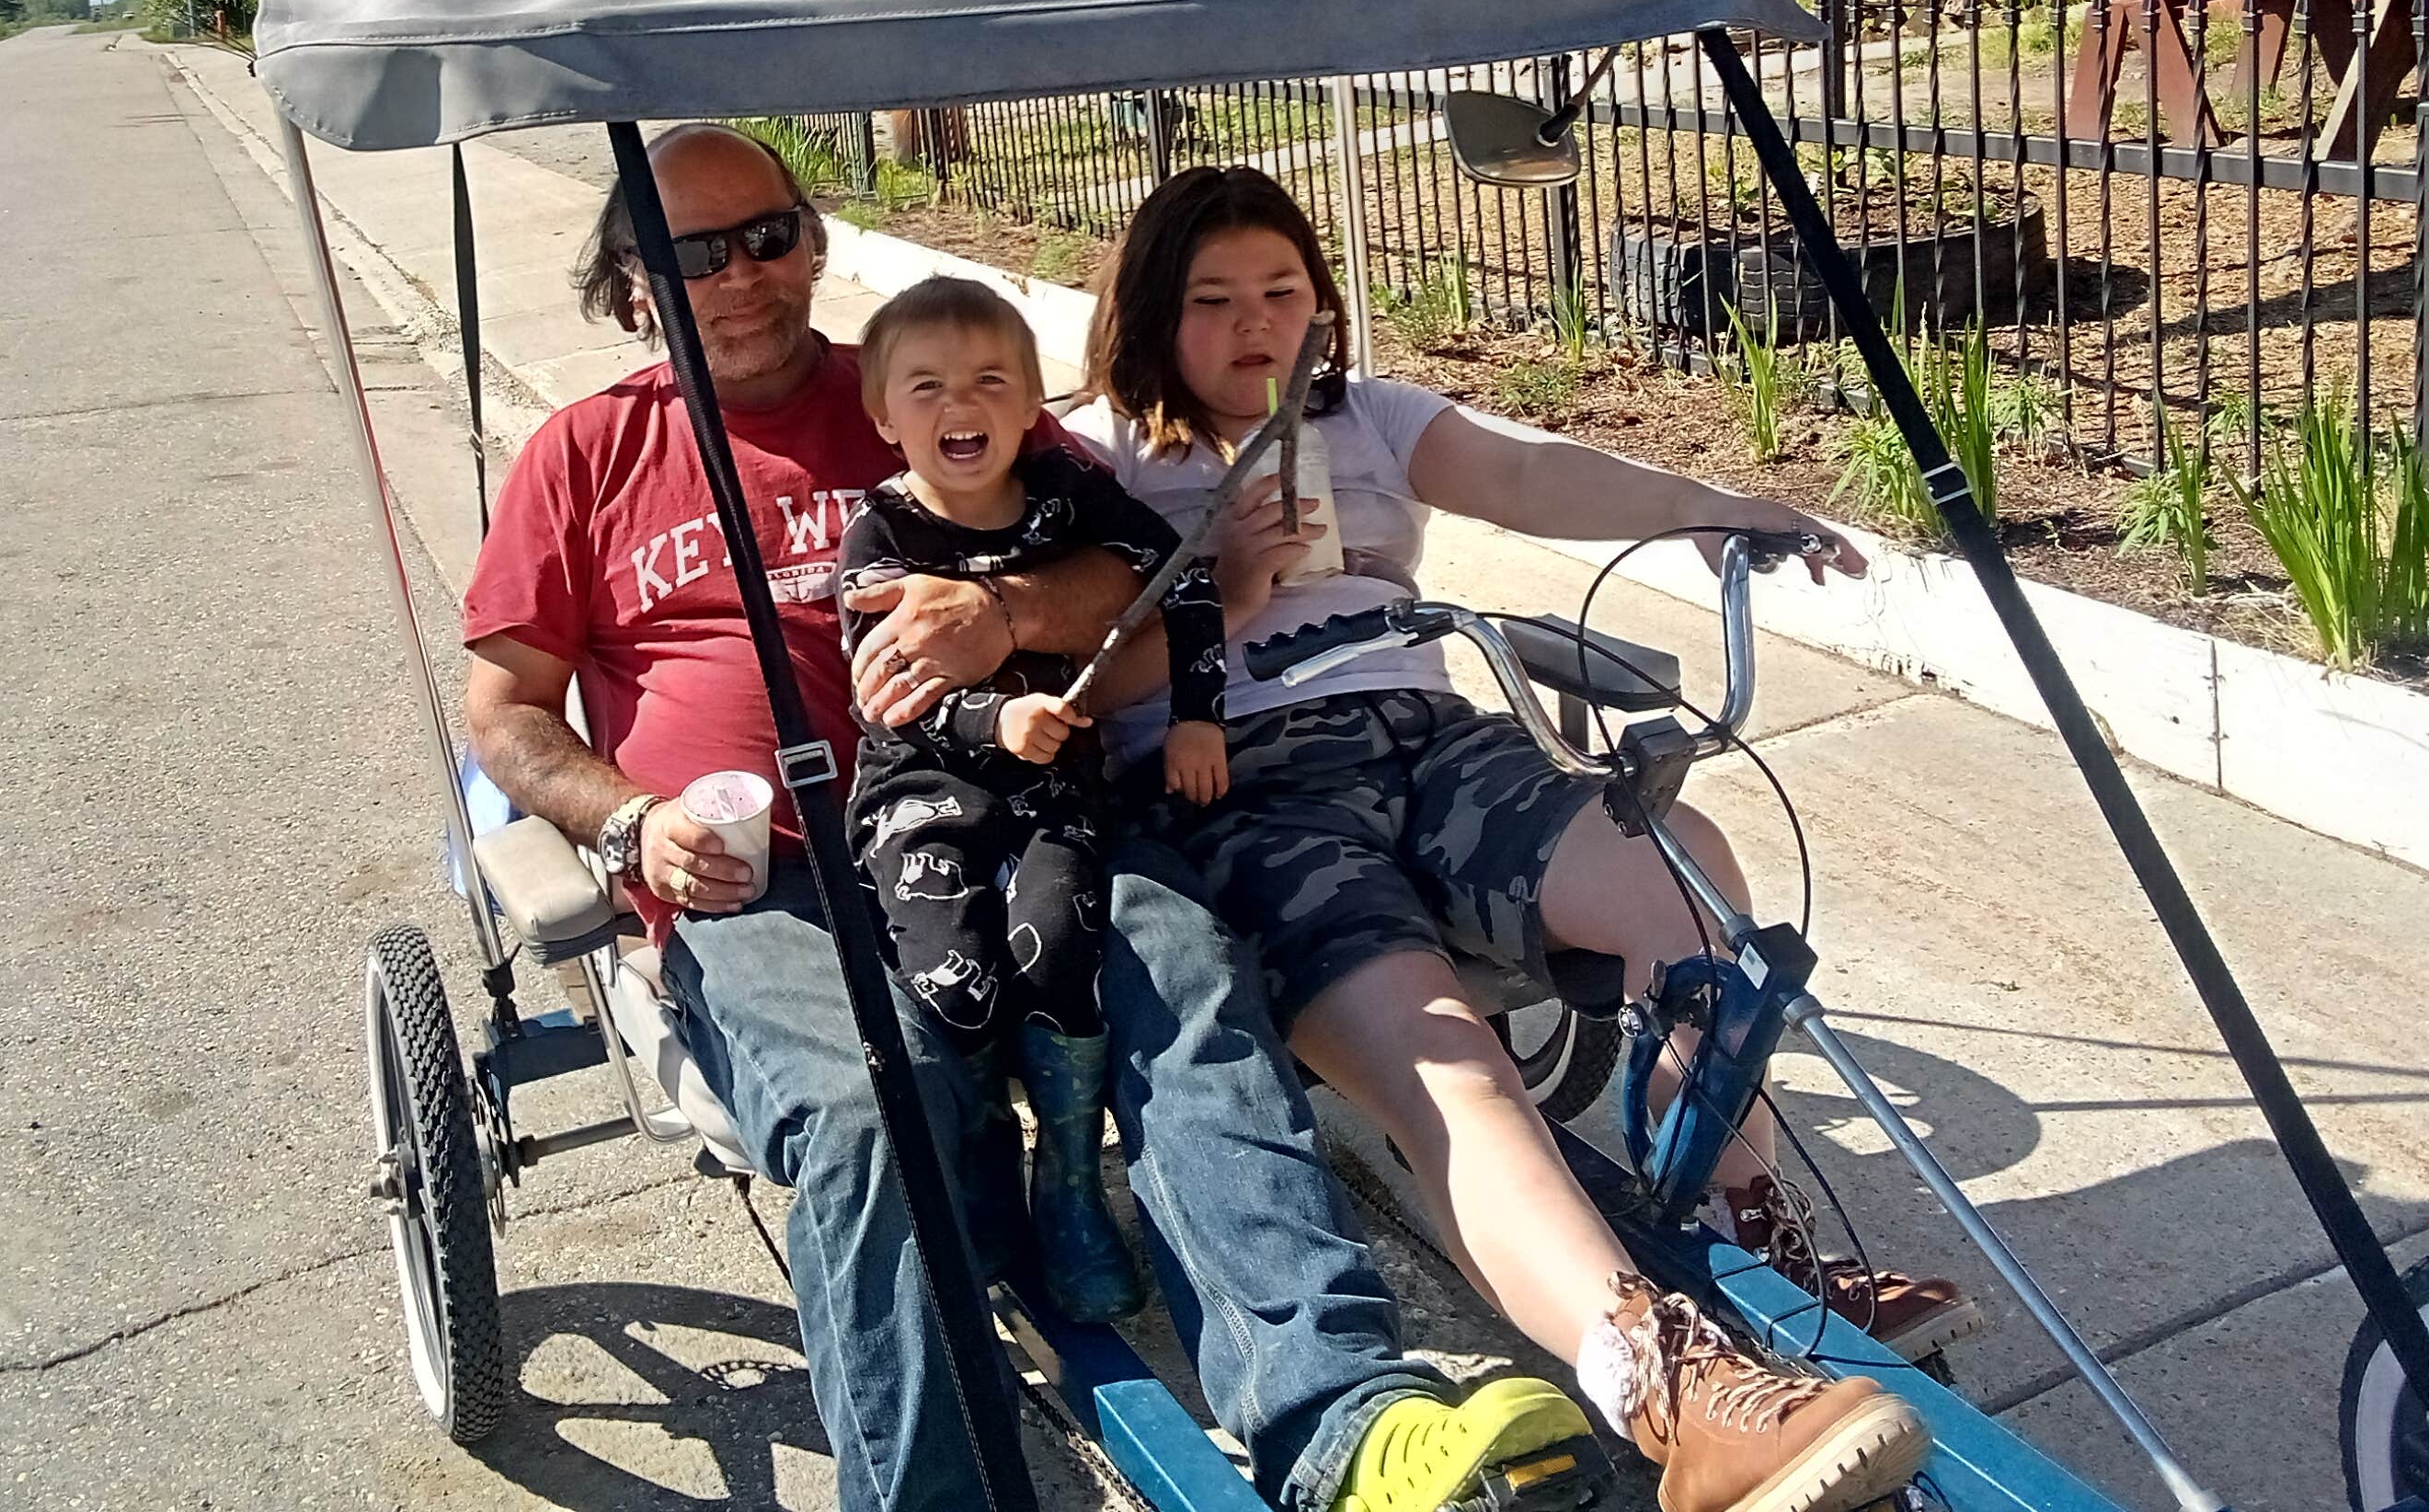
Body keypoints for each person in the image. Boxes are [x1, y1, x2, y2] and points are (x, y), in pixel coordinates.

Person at [461, 126, 1592, 1512]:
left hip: (1034, 814)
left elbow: (1131, 567)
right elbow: (506, 714)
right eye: (691, 253)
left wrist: (1001, 614)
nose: (739, 275)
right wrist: (632, 822)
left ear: (811, 243)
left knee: (1193, 991)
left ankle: (1342, 1416)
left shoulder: (924, 381)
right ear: (633, 280)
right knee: (875, 1108)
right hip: (770, 875)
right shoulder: (586, 456)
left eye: (765, 236)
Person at [1071, 166, 1972, 1512]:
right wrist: (1229, 586)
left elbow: (1530, 473)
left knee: (1688, 881)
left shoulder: (1366, 417)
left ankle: (1751, 1235)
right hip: (1241, 785)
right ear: (1150, 315)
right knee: (1454, 1066)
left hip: (1431, 741)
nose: (1256, 324)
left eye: (1282, 292)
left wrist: (1716, 506)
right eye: (1212, 301)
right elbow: (1067, 682)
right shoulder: (1095, 459)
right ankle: (1668, 1388)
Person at [837, 275, 1230, 1323]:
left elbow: (1183, 578)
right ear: (885, 418)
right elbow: (883, 701)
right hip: (921, 788)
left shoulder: (1068, 494)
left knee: (1059, 949)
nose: (959, 405)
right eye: (926, 387)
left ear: (1028, 408)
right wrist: (991, 719)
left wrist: (1198, 715)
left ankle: (1069, 1182)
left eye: (989, 382)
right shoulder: (878, 538)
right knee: (952, 975)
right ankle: (984, 1182)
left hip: (1053, 785)